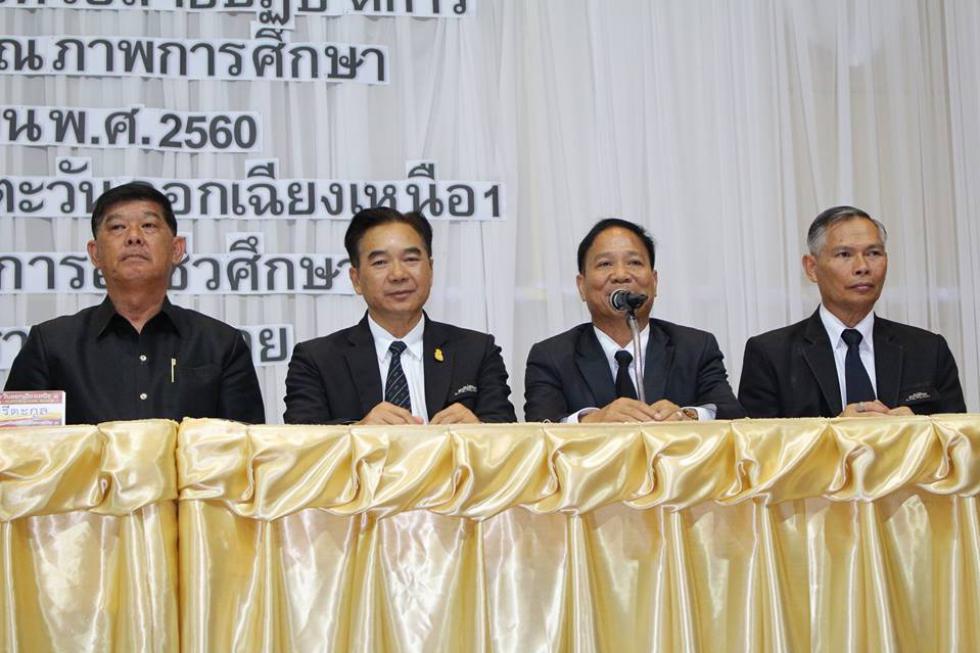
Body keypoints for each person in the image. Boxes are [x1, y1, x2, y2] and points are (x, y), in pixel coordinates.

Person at [4, 182, 265, 424]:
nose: (134, 237)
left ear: (176, 249)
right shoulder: (51, 345)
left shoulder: (222, 345)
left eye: (148, 225)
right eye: (117, 227)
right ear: (95, 253)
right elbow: (21, 448)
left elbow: (245, 448)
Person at [284, 207, 516, 425]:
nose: (398, 274)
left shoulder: (476, 352)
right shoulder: (317, 360)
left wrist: (481, 431)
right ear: (356, 280)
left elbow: (512, 438)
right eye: (380, 262)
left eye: (411, 259)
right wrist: (357, 433)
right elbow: (302, 443)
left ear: (431, 269)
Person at [738, 205, 966, 418]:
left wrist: (919, 431)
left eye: (873, 253)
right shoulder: (771, 355)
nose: (862, 267)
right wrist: (835, 434)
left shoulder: (928, 350)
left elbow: (960, 441)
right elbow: (760, 444)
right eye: (844, 255)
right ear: (812, 268)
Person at [524, 218, 744, 423]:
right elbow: (538, 427)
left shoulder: (695, 348)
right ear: (581, 286)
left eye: (634, 262)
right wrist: (590, 421)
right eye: (605, 264)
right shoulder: (551, 357)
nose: (621, 275)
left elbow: (732, 415)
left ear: (654, 282)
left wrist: (688, 416)